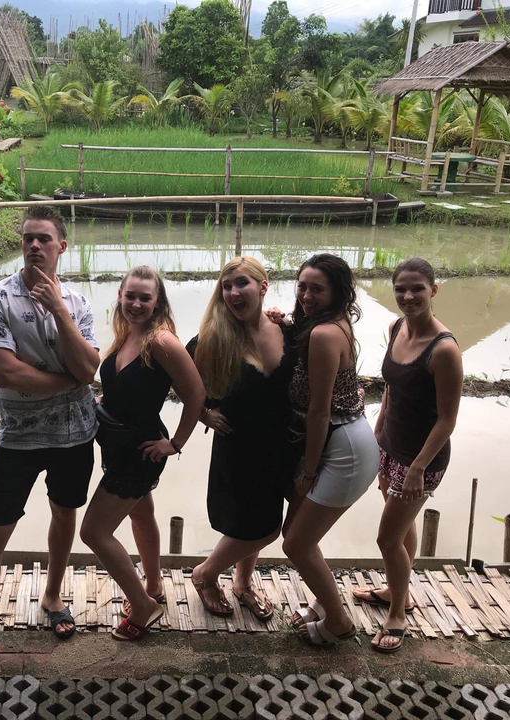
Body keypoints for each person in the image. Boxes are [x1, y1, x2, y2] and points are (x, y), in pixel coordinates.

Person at [0, 205, 100, 679]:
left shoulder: (76, 302)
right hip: (18, 438)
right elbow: (6, 371)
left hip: (76, 434)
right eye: (28, 238)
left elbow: (91, 368)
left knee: (64, 513)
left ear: (61, 247)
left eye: (44, 239)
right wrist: (69, 380)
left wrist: (57, 309)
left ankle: (53, 595)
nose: (35, 245)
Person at [79, 266, 206, 641]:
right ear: (119, 296)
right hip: (117, 444)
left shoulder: (162, 341)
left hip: (141, 451)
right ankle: (153, 585)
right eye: (130, 296)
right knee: (141, 512)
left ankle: (143, 605)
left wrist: (176, 444)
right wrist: (108, 399)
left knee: (94, 532)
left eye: (144, 298)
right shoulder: (125, 335)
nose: (136, 304)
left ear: (158, 302)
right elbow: (128, 385)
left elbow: (196, 394)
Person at [352, 258, 462, 653]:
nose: (408, 296)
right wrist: (377, 433)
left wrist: (417, 468)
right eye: (401, 288)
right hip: (390, 446)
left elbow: (447, 419)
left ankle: (397, 612)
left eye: (417, 288)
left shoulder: (444, 349)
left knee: (386, 538)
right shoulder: (395, 327)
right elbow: (394, 390)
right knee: (402, 529)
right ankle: (398, 591)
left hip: (423, 460)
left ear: (434, 290)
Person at [185, 257, 300, 621]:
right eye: (227, 285)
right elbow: (177, 378)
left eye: (242, 284)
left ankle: (243, 583)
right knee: (259, 528)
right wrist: (203, 413)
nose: (233, 292)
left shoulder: (287, 331)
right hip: (238, 448)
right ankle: (205, 574)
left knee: (264, 516)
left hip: (281, 445)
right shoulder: (213, 338)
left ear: (263, 287)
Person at [281, 253, 380, 646]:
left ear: (337, 291)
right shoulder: (327, 323)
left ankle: (337, 621)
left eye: (316, 288)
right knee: (296, 534)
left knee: (297, 543)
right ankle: (325, 604)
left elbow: (320, 410)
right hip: (340, 439)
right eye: (301, 285)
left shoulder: (324, 334)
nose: (306, 294)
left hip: (343, 447)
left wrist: (307, 472)